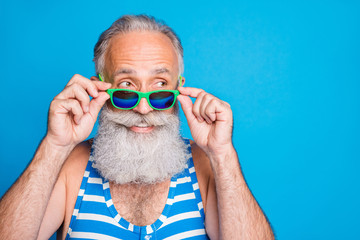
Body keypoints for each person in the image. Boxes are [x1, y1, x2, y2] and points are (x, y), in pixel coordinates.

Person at [0, 15, 274, 240]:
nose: (144, 109)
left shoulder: (205, 166)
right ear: (98, 87)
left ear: (179, 89)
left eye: (160, 88)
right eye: (127, 87)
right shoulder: (71, 168)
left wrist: (222, 154)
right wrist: (55, 145)